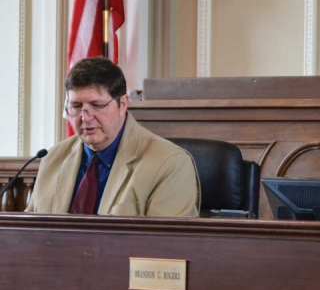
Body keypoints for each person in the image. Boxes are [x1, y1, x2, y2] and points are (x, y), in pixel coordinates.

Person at [27, 57, 200, 217]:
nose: (85, 117)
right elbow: (28, 235)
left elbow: (162, 245)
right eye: (76, 106)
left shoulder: (170, 164)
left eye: (97, 105)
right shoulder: (52, 158)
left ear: (123, 104)